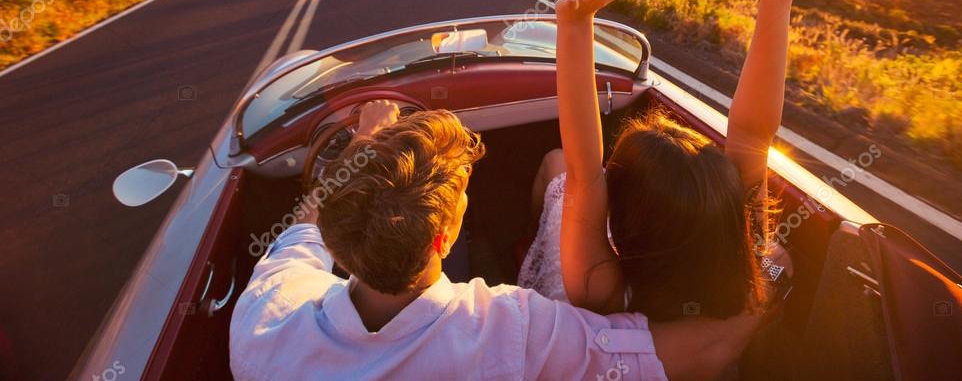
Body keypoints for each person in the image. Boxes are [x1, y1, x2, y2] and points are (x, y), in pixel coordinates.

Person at [230, 101, 776, 381]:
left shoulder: (265, 318)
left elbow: (305, 224)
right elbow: (710, 346)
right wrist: (772, 271)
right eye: (464, 196)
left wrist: (366, 151)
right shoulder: (516, 332)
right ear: (445, 237)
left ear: (336, 238)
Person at [518, 0, 871, 321]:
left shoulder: (599, 287)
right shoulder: (748, 268)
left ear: (614, 213)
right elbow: (752, 133)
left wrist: (576, 20)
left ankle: (530, 239)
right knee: (776, 255)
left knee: (556, 164)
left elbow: (583, 172)